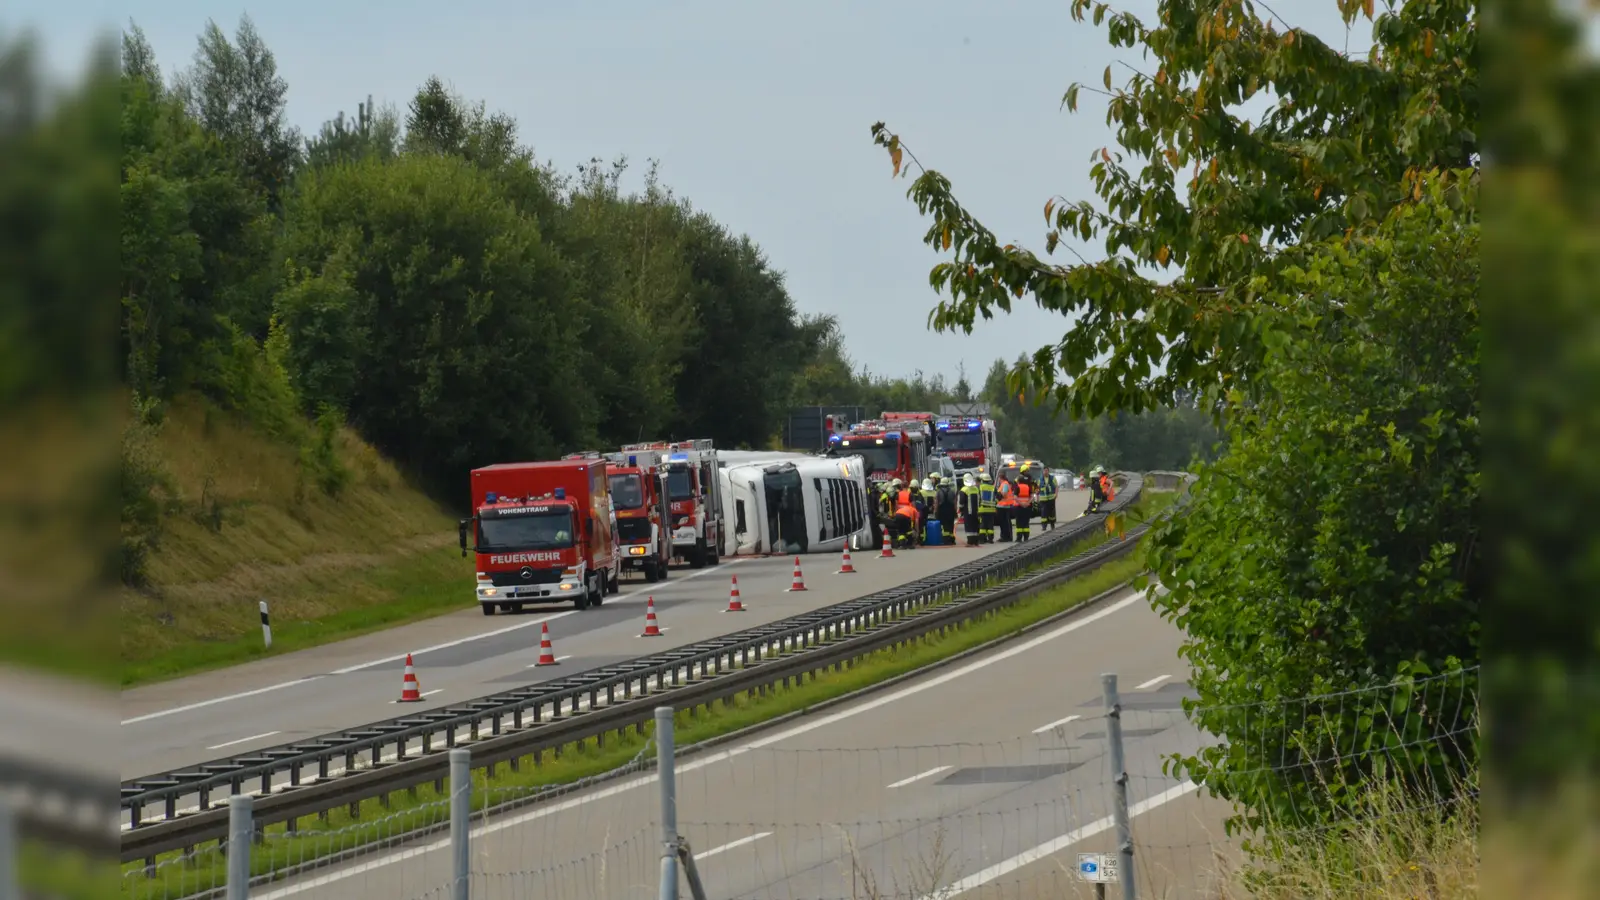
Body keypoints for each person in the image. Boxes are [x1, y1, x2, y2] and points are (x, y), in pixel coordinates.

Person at [959, 473, 981, 546]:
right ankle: (976, 541)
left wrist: (960, 510)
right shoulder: (976, 488)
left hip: (968, 511)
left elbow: (961, 501)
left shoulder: (964, 489)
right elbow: (979, 499)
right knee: (975, 525)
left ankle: (970, 542)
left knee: (969, 526)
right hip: (976, 511)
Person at [936, 474, 958, 543]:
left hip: (942, 511)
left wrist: (936, 512)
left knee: (944, 525)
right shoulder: (952, 491)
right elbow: (955, 503)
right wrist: (955, 512)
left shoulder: (938, 492)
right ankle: (952, 539)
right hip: (951, 510)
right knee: (951, 525)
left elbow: (936, 503)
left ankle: (946, 539)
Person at [1014, 470, 1034, 542]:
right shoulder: (1028, 487)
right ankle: (1026, 537)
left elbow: (1015, 497)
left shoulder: (1017, 487)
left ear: (1019, 481)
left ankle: (1019, 538)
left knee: (1019, 523)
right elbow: (1032, 497)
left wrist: (1021, 504)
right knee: (1026, 522)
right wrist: (1027, 503)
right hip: (1027, 507)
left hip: (1019, 507)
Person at [996, 472, 1016, 542]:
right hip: (1002, 506)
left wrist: (998, 494)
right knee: (1003, 523)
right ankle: (1004, 537)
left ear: (1000, 478)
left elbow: (1004, 494)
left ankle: (1006, 537)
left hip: (1004, 507)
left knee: (1005, 523)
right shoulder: (1003, 484)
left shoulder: (1005, 484)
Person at [978, 472, 997, 543]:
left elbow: (978, 498)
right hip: (991, 510)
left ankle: (982, 539)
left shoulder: (980, 487)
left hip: (982, 509)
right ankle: (990, 539)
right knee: (990, 525)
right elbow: (998, 497)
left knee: (982, 525)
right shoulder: (993, 488)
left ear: (982, 480)